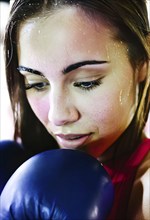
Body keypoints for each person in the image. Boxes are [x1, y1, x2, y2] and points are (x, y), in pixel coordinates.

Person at [2, 0, 150, 219]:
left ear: (143, 62)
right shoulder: (19, 169)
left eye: (86, 82)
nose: (58, 116)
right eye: (36, 83)